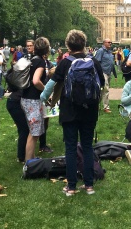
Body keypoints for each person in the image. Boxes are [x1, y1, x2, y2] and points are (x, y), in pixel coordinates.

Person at [41, 30, 105, 196]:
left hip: (69, 111)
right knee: (87, 146)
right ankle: (89, 185)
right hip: (89, 110)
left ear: (68, 45)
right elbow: (102, 84)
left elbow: (51, 85)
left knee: (70, 148)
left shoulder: (65, 63)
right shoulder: (93, 61)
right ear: (84, 44)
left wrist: (43, 98)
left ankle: (71, 186)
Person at [21, 37, 50, 161]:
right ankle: (29, 163)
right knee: (34, 134)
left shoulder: (33, 59)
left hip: (26, 98)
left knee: (32, 132)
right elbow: (36, 80)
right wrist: (45, 90)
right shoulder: (40, 62)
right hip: (32, 100)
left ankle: (31, 158)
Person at [94, 38, 117, 113]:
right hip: (102, 72)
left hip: (108, 72)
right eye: (109, 42)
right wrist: (99, 73)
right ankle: (106, 107)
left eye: (111, 42)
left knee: (103, 90)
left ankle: (95, 105)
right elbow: (96, 62)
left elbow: (112, 63)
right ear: (104, 43)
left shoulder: (109, 52)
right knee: (106, 89)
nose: (110, 43)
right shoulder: (101, 51)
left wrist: (115, 74)